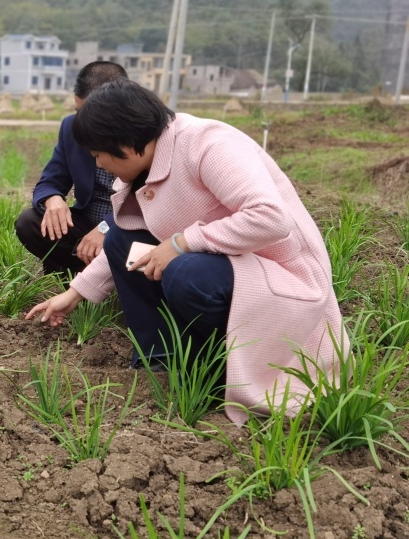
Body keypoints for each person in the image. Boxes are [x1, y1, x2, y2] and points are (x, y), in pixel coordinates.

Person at [26, 79, 345, 423]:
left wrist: (180, 244)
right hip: (229, 263)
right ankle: (162, 362)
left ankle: (215, 370)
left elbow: (270, 218)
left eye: (99, 155)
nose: (100, 165)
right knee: (121, 240)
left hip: (283, 278)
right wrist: (75, 294)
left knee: (186, 273)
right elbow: (126, 237)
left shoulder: (208, 144)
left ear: (127, 142)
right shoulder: (150, 162)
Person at [14, 61, 128, 278]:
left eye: (91, 113)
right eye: (79, 112)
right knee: (30, 223)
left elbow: (147, 203)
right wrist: (53, 199)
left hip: (128, 225)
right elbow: (50, 181)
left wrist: (106, 228)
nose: (83, 121)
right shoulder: (72, 128)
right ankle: (78, 273)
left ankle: (107, 278)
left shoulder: (142, 134)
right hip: (87, 220)